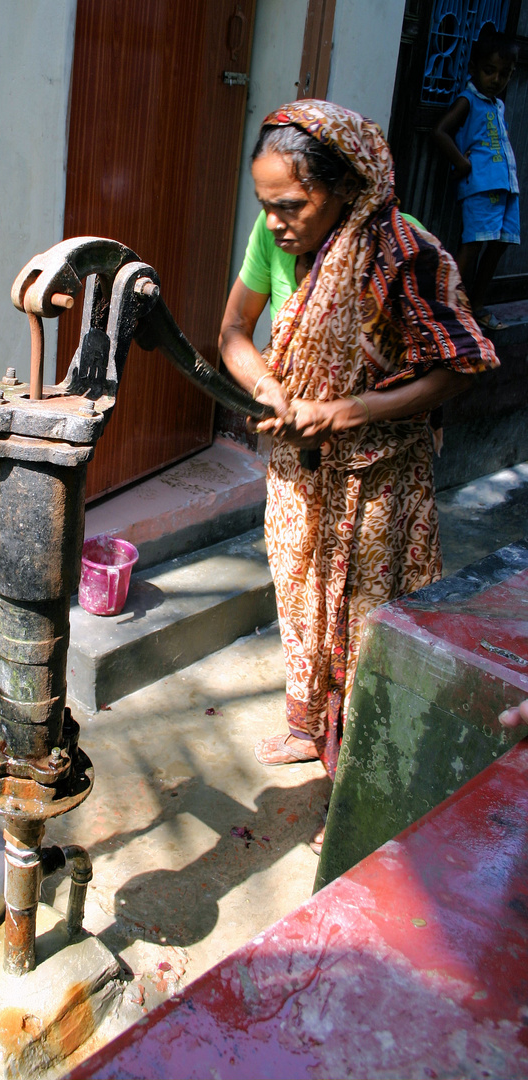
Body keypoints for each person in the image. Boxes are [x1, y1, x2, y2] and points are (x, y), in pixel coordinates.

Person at [219, 101, 499, 848]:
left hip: (376, 476)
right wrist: (268, 389)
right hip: (298, 464)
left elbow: (460, 369)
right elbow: (232, 336)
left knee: (362, 617)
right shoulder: (272, 237)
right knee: (300, 595)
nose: (276, 223)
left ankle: (354, 772)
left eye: (290, 206)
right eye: (266, 207)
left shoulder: (404, 253)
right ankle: (307, 725)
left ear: (346, 187)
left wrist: (348, 412)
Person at [433, 27, 519, 330]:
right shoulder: (468, 100)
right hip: (481, 186)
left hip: (505, 186)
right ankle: (444, 306)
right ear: (473, 70)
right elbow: (440, 131)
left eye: (504, 74)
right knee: (472, 247)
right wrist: (462, 164)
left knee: (499, 245)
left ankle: (477, 304)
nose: (496, 80)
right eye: (489, 71)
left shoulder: (497, 104)